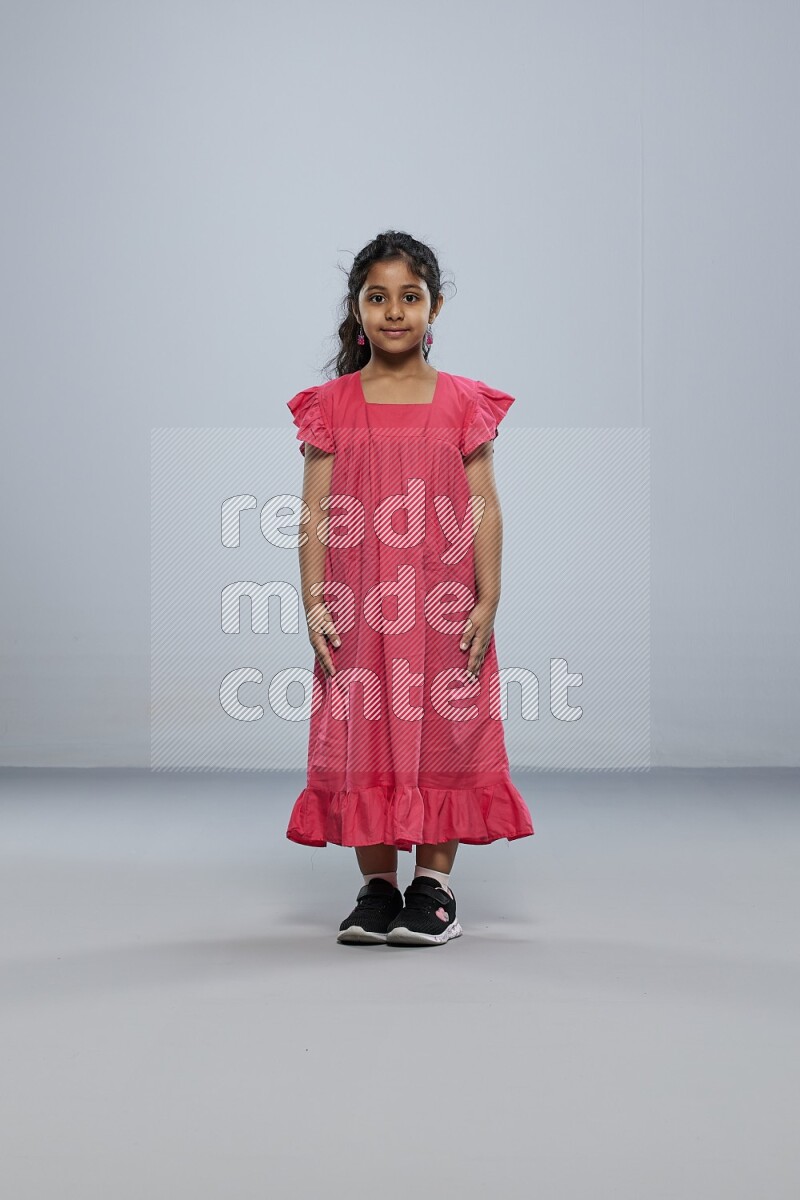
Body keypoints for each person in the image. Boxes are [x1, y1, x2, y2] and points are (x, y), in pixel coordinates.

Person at [286, 229, 534, 948]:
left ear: (435, 307)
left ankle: (434, 887)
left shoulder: (461, 402)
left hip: (441, 602)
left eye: (410, 296)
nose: (394, 310)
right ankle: (376, 887)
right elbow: (314, 512)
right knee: (363, 733)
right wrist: (312, 599)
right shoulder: (331, 404)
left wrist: (488, 599)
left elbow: (484, 504)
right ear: (357, 309)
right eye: (377, 297)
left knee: (443, 734)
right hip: (360, 603)